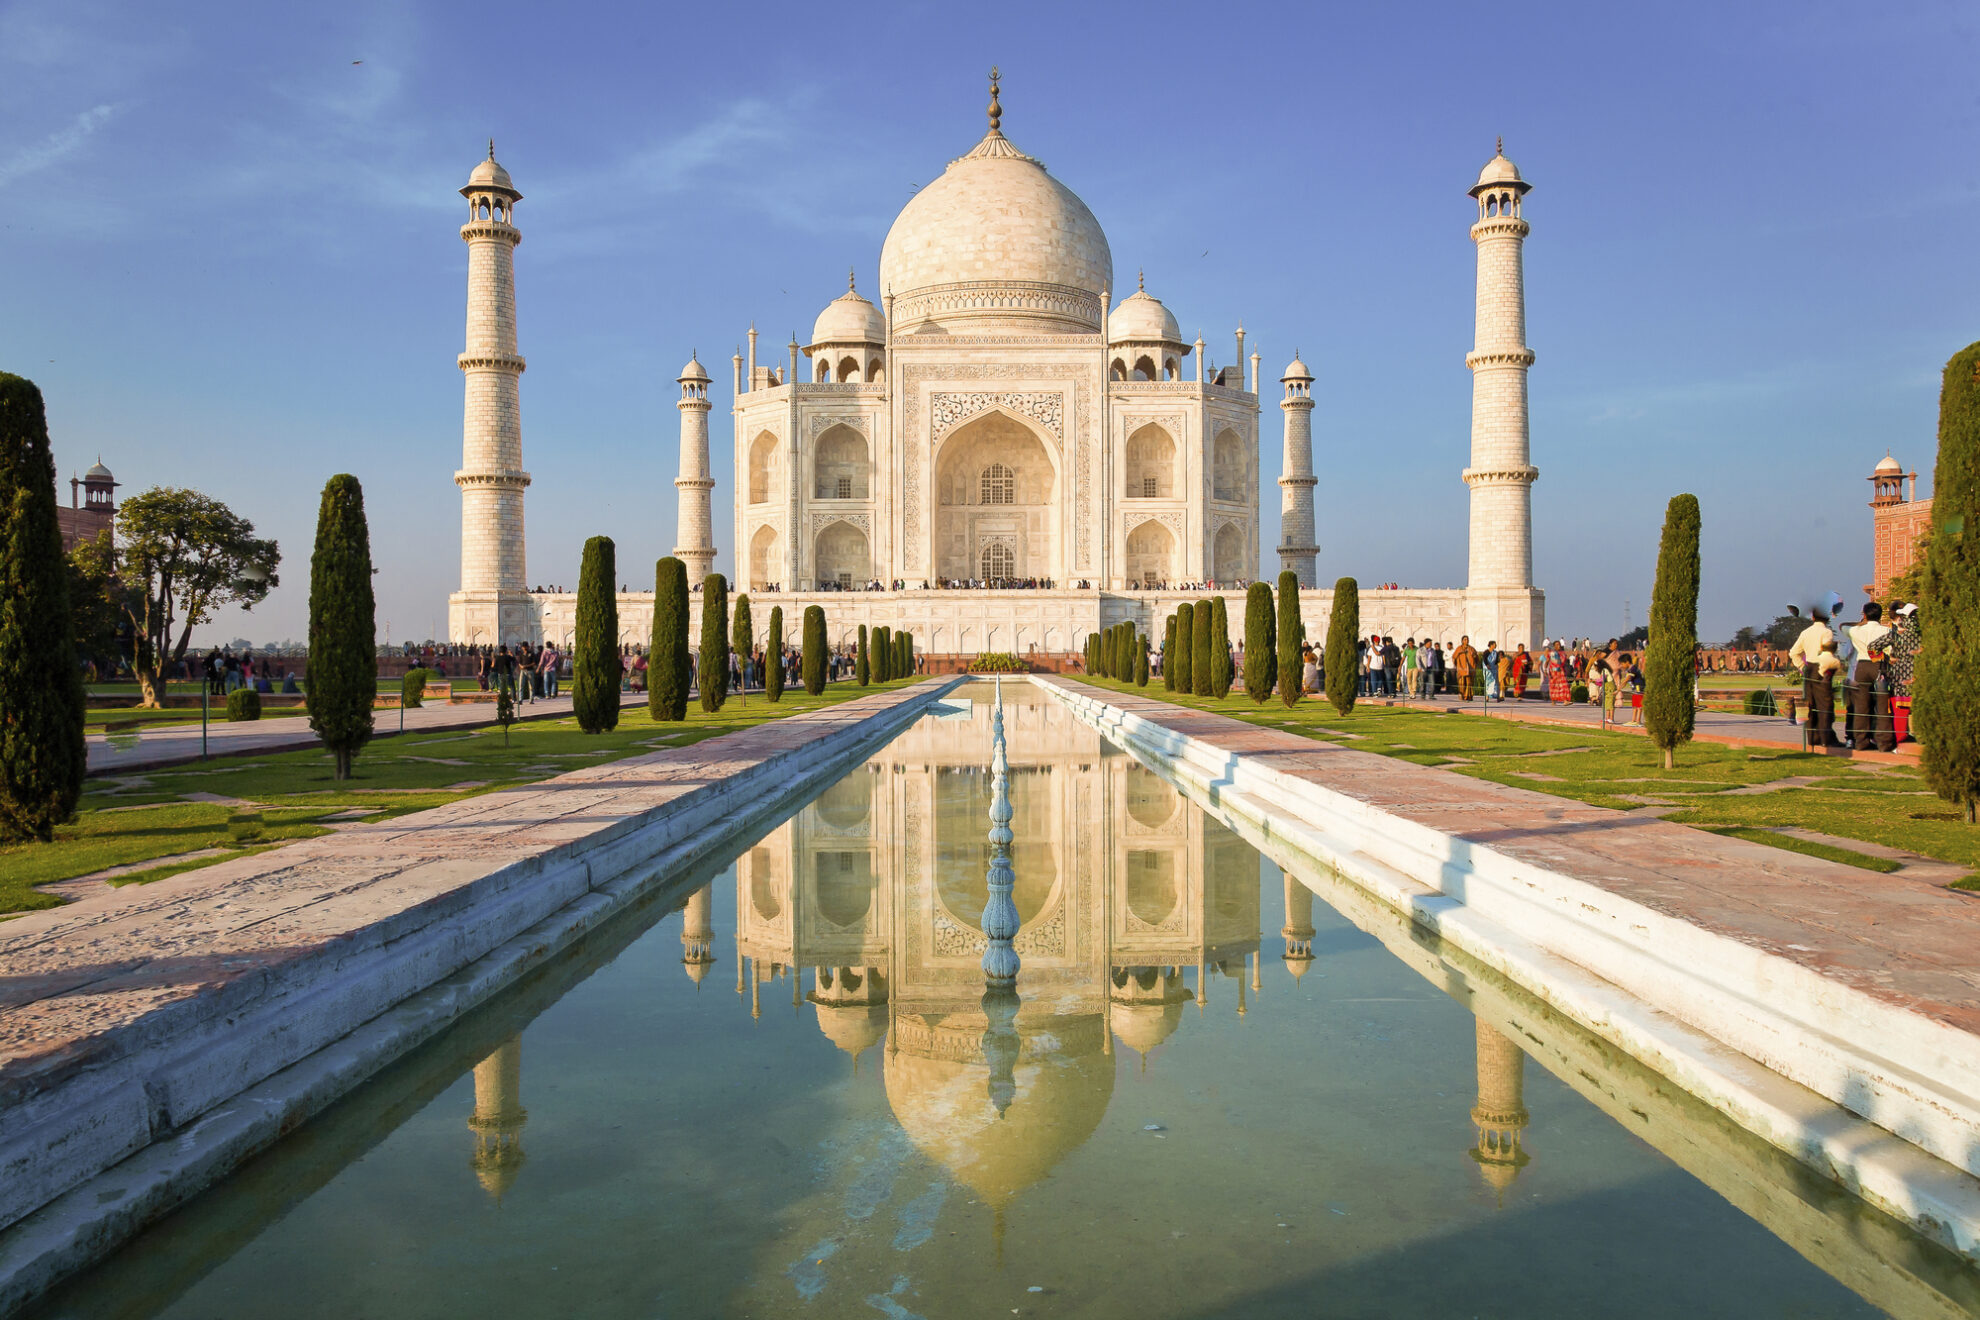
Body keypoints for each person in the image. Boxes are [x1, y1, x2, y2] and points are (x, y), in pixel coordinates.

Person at [1787, 605, 1839, 748]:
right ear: (1827, 618)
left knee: (1810, 705)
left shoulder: (1806, 632)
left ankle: (1812, 738)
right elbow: (1827, 653)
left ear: (1813, 617)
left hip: (1809, 668)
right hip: (1822, 668)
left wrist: (1803, 667)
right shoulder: (1826, 632)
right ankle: (1826, 739)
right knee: (1825, 705)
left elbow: (1793, 652)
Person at [1846, 603, 1894, 753]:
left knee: (1861, 706)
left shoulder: (1855, 631)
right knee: (1881, 706)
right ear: (1880, 615)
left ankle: (1861, 741)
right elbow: (1890, 650)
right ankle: (1884, 742)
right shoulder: (1886, 630)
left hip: (1862, 667)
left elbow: (1843, 626)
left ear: (1865, 615)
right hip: (1878, 665)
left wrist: (1862, 621)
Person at [1453, 636, 1479, 701]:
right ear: (1462, 641)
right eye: (1465, 640)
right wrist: (1460, 654)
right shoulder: (1459, 649)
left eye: (1467, 639)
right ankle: (1461, 694)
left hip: (1470, 669)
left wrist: (1474, 656)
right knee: (1462, 683)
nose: (1466, 641)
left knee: (1469, 683)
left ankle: (1468, 696)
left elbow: (1477, 658)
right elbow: (1454, 657)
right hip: (1462, 669)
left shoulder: (1471, 649)